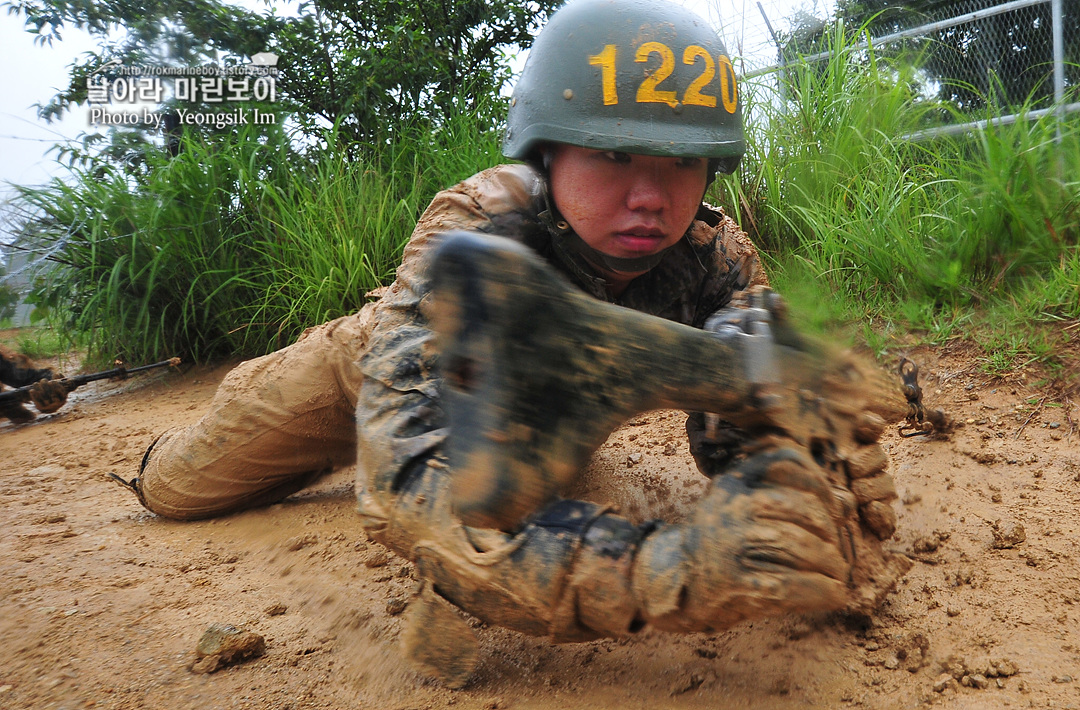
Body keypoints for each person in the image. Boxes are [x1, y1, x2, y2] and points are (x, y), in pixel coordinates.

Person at [111, 0, 907, 686]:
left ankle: (529, 456)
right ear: (548, 152)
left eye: (683, 163)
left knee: (548, 484)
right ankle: (165, 456)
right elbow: (408, 486)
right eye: (612, 154)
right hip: (364, 372)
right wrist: (665, 573)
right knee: (180, 491)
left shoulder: (717, 258)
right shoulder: (481, 225)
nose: (648, 197)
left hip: (540, 415)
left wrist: (810, 472)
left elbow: (751, 415)